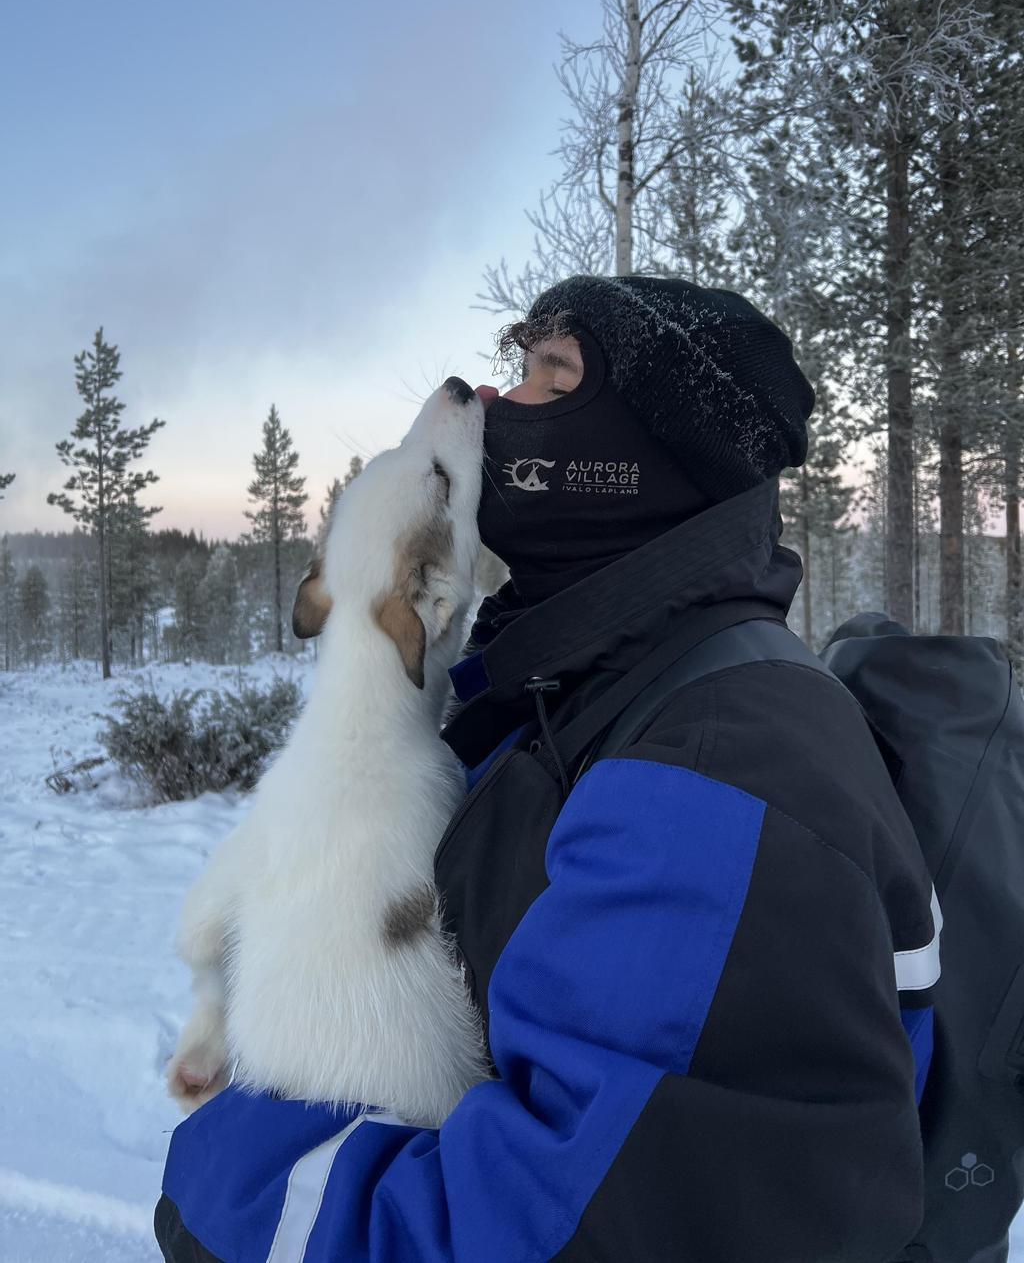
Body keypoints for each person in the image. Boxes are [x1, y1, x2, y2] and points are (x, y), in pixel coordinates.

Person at [156, 275, 936, 1262]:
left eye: (550, 374)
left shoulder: (717, 763)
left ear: (643, 456)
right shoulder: (569, 689)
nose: (493, 402)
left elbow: (588, 1223)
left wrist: (233, 1182)